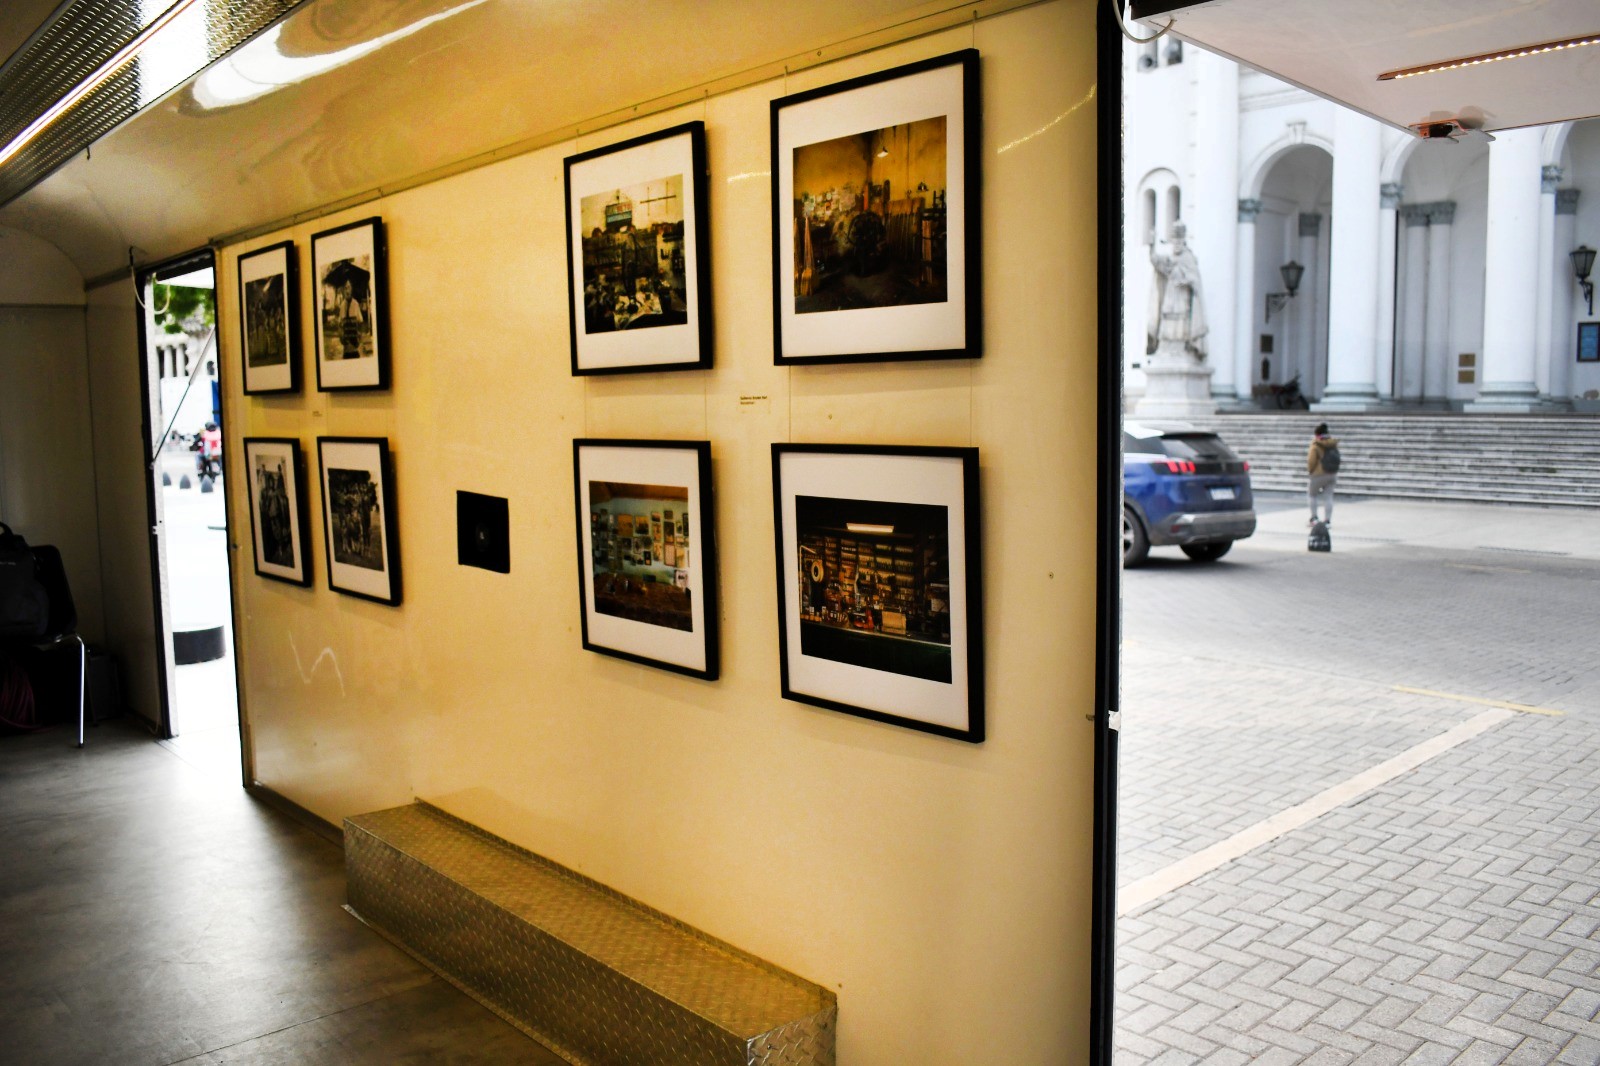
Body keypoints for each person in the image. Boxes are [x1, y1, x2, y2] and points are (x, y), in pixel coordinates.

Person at [1307, 422, 1339, 526]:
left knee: (1312, 495)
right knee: (1328, 497)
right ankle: (1327, 521)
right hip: (1332, 473)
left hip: (1318, 474)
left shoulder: (1316, 444)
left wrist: (1310, 471)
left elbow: (1311, 460)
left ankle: (1314, 518)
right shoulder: (1333, 443)